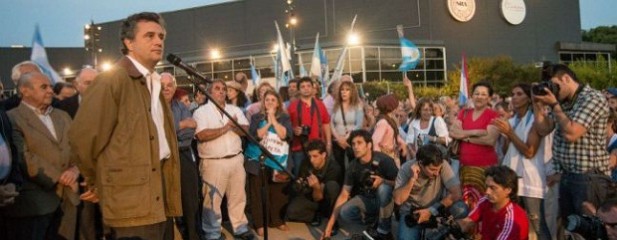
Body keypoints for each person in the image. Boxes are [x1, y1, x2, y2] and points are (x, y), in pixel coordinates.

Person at [69, 12, 182, 240]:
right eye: (149, 36)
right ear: (129, 42)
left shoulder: (154, 82)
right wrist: (97, 182)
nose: (158, 41)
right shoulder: (113, 80)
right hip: (130, 202)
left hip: (157, 196)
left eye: (161, 36)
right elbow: (83, 139)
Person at [532, 63, 611, 239]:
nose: (553, 91)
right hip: (567, 176)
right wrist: (537, 104)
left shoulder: (592, 98)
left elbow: (572, 133)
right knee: (573, 231)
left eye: (555, 85)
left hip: (589, 179)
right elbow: (543, 129)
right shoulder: (563, 101)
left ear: (566, 78)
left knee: (592, 232)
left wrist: (554, 105)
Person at [4, 72, 79, 239]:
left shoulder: (62, 116)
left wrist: (75, 170)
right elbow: (24, 158)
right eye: (44, 87)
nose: (50, 91)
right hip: (34, 205)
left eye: (51, 87)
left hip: (69, 200)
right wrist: (62, 178)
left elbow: (78, 148)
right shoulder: (12, 119)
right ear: (25, 90)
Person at [192, 79, 255, 240]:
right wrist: (226, 127)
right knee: (212, 200)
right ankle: (212, 233)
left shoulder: (234, 109)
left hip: (235, 159)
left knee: (238, 196)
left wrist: (232, 126)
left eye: (224, 89)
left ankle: (240, 227)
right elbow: (202, 135)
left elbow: (245, 130)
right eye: (217, 88)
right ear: (209, 92)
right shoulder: (201, 112)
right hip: (213, 162)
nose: (221, 91)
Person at [492, 83, 553, 240]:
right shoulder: (512, 120)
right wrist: (505, 135)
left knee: (539, 229)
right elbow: (507, 152)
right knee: (516, 227)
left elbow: (529, 152)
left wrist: (510, 133)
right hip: (513, 182)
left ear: (529, 98)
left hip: (532, 182)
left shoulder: (536, 120)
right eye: (513, 94)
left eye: (519, 94)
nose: (514, 97)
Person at [322, 129, 398, 240]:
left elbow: (400, 184)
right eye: (353, 144)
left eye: (359, 143)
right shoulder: (353, 166)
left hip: (387, 200)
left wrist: (383, 181)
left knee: (383, 189)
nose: (355, 147)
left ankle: (384, 232)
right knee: (345, 212)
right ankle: (375, 221)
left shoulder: (384, 160)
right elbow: (344, 194)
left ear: (369, 145)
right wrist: (329, 226)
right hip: (368, 199)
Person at [244, 90, 292, 236]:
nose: (270, 102)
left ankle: (276, 220)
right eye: (267, 100)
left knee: (276, 193)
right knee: (257, 192)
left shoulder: (284, 117)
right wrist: (267, 123)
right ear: (263, 102)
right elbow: (256, 135)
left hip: (277, 161)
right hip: (257, 160)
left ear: (278, 103)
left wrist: (273, 119)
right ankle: (259, 223)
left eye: (273, 100)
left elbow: (284, 135)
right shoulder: (256, 117)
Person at [160, 73, 201, 240]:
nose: (166, 88)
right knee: (166, 203)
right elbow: (159, 133)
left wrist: (175, 130)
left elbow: (192, 129)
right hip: (164, 159)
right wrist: (182, 125)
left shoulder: (180, 106)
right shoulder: (153, 107)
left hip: (183, 155)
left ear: (175, 87)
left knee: (189, 199)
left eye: (169, 84)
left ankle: (192, 235)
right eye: (162, 85)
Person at [393, 144, 462, 240]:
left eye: (439, 169)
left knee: (461, 208)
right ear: (420, 164)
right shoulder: (405, 168)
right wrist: (412, 179)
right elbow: (398, 200)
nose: (437, 173)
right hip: (413, 213)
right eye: (432, 170)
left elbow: (456, 193)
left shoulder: (443, 165)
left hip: (436, 209)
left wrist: (431, 211)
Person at [449, 81, 500, 211]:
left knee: (485, 204)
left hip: (486, 169)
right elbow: (453, 132)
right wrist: (476, 132)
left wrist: (464, 136)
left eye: (484, 94)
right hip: (465, 168)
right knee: (467, 205)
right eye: (477, 93)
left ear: (489, 98)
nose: (479, 97)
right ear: (471, 96)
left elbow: (489, 140)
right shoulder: (464, 112)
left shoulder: (493, 115)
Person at [457, 166, 529, 240]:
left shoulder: (512, 219)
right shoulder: (486, 200)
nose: (487, 192)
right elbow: (467, 222)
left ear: (508, 190)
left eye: (493, 188)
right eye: (487, 186)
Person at [286, 139, 342, 228]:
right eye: (310, 156)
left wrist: (316, 187)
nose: (311, 160)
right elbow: (301, 186)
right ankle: (316, 216)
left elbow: (319, 197)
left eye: (315, 156)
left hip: (327, 200)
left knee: (332, 186)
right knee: (291, 212)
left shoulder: (333, 167)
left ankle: (331, 217)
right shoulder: (306, 163)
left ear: (323, 155)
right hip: (311, 196)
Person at [287, 77, 332, 176]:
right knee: (300, 176)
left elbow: (326, 123)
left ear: (313, 88)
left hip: (318, 147)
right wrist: (294, 130)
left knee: (320, 176)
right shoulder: (292, 106)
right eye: (302, 87)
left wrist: (328, 143)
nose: (306, 88)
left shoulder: (320, 104)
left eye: (308, 86)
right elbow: (287, 127)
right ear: (299, 90)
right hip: (299, 147)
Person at [330, 80, 364, 172]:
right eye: (342, 90)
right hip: (337, 141)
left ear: (352, 92)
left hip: (351, 140)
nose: (344, 92)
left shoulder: (358, 106)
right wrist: (338, 137)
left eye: (347, 90)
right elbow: (331, 123)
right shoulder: (335, 106)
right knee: (339, 167)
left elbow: (359, 124)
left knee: (352, 166)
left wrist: (346, 137)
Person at [372, 94, 407, 168]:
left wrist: (402, 143)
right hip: (385, 157)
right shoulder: (383, 122)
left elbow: (394, 134)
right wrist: (380, 158)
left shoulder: (390, 120)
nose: (398, 108)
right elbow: (375, 142)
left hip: (392, 155)